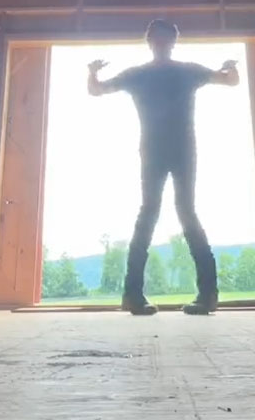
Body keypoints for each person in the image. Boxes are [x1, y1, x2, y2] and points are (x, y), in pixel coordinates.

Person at [87, 19, 239, 315]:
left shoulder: (187, 70)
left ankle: (207, 296)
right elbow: (97, 90)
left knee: (184, 213)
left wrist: (231, 68)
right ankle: (133, 296)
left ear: (173, 42)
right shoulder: (139, 74)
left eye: (166, 39)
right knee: (150, 214)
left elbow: (229, 81)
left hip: (181, 151)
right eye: (157, 38)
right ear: (150, 41)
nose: (161, 43)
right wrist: (92, 73)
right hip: (156, 152)